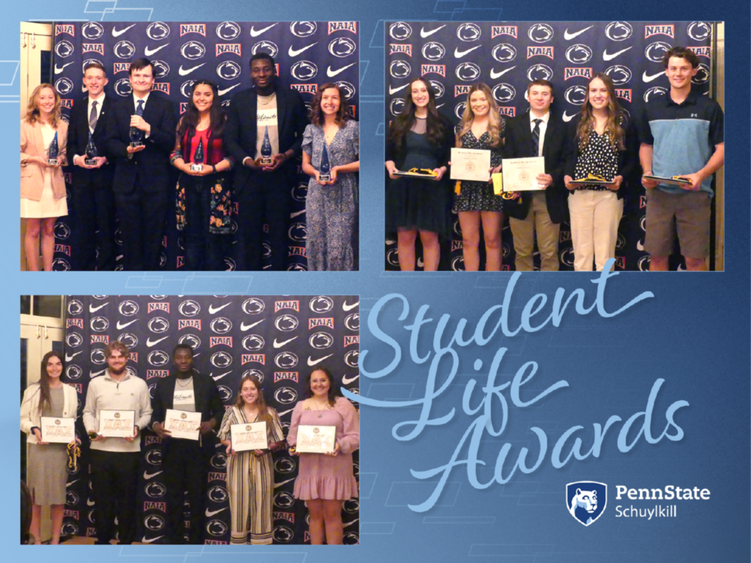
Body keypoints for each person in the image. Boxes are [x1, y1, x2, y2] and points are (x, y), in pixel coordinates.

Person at [639, 46, 724, 271]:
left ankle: (698, 306)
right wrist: (647, 172)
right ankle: (661, 306)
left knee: (694, 260)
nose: (678, 73)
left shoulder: (709, 108)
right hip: (659, 195)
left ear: (694, 71)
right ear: (666, 71)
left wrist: (700, 175)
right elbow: (646, 145)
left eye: (684, 68)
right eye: (673, 68)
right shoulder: (652, 108)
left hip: (695, 196)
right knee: (657, 258)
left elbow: (722, 149)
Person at [224, 53, 308, 270]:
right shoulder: (239, 100)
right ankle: (253, 284)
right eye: (256, 70)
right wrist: (248, 161)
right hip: (249, 177)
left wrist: (287, 154)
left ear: (274, 70)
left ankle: (278, 282)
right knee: (249, 235)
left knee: (280, 234)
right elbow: (230, 139)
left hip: (280, 176)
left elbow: (306, 136)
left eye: (266, 69)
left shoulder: (291, 98)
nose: (262, 74)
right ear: (250, 73)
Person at [104, 58, 177, 270]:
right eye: (137, 75)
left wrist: (148, 129)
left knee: (153, 237)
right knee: (129, 236)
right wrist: (125, 150)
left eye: (146, 76)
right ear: (129, 79)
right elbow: (108, 142)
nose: (141, 79)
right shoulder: (117, 107)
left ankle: (151, 282)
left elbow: (169, 141)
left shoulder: (165, 106)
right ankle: (132, 282)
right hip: (125, 184)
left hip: (155, 184)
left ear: (153, 80)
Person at [150, 344, 224, 544]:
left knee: (197, 499)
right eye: (179, 358)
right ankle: (175, 544)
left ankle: (196, 544)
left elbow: (219, 411)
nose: (183, 361)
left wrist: (211, 423)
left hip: (198, 449)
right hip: (172, 449)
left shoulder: (205, 382)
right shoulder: (164, 384)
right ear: (174, 360)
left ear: (192, 359)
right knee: (174, 500)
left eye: (187, 357)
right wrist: (156, 426)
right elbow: (154, 415)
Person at [563, 73, 635, 271]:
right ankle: (582, 298)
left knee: (605, 253)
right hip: (580, 194)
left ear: (610, 94)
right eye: (593, 90)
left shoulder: (622, 124)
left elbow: (631, 159)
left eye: (603, 90)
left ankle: (604, 298)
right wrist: (567, 177)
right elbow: (568, 156)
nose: (598, 95)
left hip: (609, 195)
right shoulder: (577, 123)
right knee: (582, 253)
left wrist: (621, 177)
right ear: (587, 95)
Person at [82, 342, 152, 544]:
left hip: (129, 451)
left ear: (127, 358)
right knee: (103, 501)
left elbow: (147, 413)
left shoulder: (139, 384)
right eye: (113, 357)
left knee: (127, 501)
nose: (117, 360)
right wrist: (92, 432)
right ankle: (103, 542)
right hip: (101, 451)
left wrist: (137, 427)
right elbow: (88, 412)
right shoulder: (95, 383)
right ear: (107, 359)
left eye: (120, 356)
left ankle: (125, 544)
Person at [385, 78, 453, 271]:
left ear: (430, 94)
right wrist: (390, 167)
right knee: (405, 237)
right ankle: (409, 286)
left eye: (423, 90)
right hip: (403, 187)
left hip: (431, 188)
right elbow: (388, 153)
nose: (420, 95)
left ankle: (428, 285)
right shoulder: (399, 122)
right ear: (410, 96)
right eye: (415, 91)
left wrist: (442, 170)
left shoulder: (443, 122)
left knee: (429, 237)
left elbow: (449, 156)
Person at [287, 368, 359, 545]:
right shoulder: (301, 406)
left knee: (333, 516)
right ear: (309, 384)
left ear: (330, 382)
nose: (318, 384)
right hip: (310, 469)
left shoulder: (342, 404)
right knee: (315, 516)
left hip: (335, 469)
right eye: (314, 381)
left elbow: (355, 436)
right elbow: (292, 437)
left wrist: (339, 445)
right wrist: (295, 447)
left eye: (323, 380)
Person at [502, 79, 567, 271]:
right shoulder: (513, 124)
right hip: (519, 196)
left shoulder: (562, 127)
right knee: (522, 251)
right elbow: (508, 157)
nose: (540, 97)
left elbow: (567, 161)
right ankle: (525, 294)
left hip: (548, 196)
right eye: (535, 93)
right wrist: (510, 186)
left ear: (552, 99)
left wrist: (553, 177)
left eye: (544, 94)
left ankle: (548, 294)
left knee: (549, 251)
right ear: (528, 96)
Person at [171, 80, 234, 271]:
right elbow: (175, 153)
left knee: (213, 238)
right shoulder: (184, 120)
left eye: (207, 94)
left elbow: (234, 156)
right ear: (191, 96)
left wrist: (213, 169)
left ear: (214, 97)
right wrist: (183, 166)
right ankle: (192, 286)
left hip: (216, 186)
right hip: (188, 184)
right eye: (197, 94)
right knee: (191, 235)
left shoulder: (224, 120)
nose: (202, 98)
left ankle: (213, 289)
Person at [218, 375, 284, 545]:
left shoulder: (269, 413)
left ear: (259, 391)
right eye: (245, 389)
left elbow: (278, 439)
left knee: (262, 505)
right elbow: (223, 437)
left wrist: (266, 447)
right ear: (240, 393)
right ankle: (239, 548)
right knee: (238, 507)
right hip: (238, 465)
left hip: (262, 465)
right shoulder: (232, 412)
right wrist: (231, 443)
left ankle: (260, 548)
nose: (249, 393)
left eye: (253, 389)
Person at [20, 351, 78, 544]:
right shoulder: (33, 390)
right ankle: (36, 541)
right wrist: (34, 429)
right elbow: (23, 420)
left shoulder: (70, 391)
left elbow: (71, 421)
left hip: (60, 451)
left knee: (58, 498)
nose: (54, 368)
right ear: (44, 367)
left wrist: (73, 436)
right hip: (38, 449)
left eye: (58, 364)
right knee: (36, 499)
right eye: (50, 364)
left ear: (63, 366)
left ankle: (54, 541)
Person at [301, 83, 359, 271]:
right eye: (325, 98)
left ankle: (342, 286)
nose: (329, 102)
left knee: (340, 241)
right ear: (319, 101)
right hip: (317, 193)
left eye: (334, 97)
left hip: (343, 192)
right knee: (317, 239)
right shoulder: (311, 129)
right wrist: (316, 173)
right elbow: (305, 165)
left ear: (341, 102)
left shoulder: (353, 128)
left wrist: (339, 169)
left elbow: (364, 161)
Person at [66, 62, 116, 271]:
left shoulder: (117, 106)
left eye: (98, 78)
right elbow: (70, 143)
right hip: (81, 180)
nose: (94, 81)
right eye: (90, 77)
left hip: (107, 178)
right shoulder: (77, 107)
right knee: (82, 228)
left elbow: (120, 142)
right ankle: (82, 272)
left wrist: (107, 158)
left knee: (106, 228)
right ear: (84, 81)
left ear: (105, 81)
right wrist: (76, 159)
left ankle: (105, 271)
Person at [453, 83, 505, 271]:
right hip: (467, 188)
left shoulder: (501, 125)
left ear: (489, 101)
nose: (478, 103)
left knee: (492, 239)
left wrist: (501, 167)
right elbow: (457, 153)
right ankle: (471, 285)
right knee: (468, 240)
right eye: (474, 100)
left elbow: (511, 155)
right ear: (469, 103)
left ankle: (492, 285)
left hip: (492, 188)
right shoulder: (461, 127)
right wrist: (454, 164)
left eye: (482, 99)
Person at [20, 84, 68, 271]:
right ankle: (33, 276)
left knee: (49, 230)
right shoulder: (25, 124)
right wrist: (34, 159)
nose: (47, 101)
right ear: (36, 101)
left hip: (54, 185)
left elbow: (64, 153)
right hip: (33, 185)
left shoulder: (62, 125)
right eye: (42, 98)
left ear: (55, 100)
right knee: (33, 231)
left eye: (50, 97)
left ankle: (48, 274)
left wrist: (60, 159)